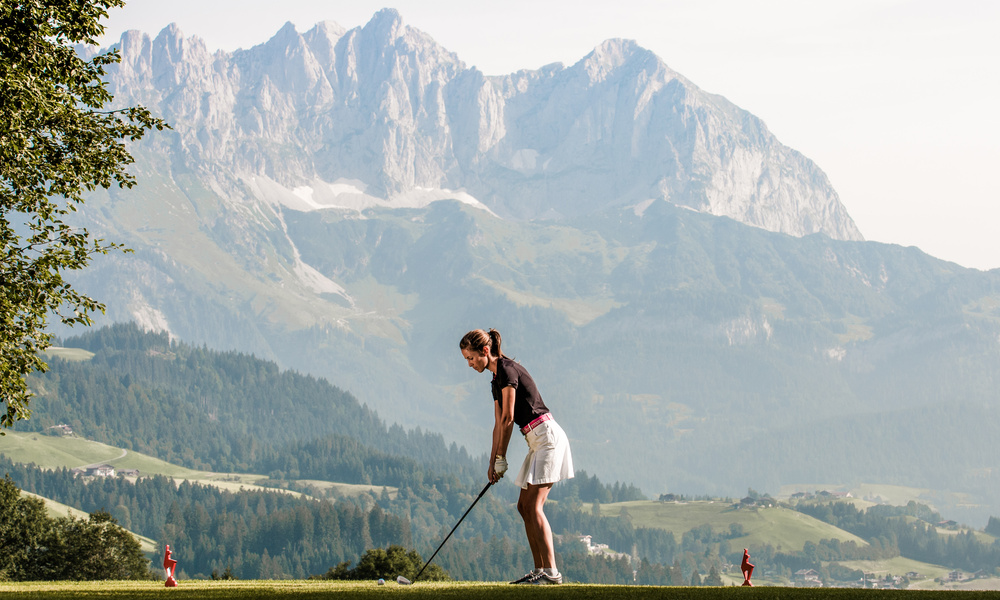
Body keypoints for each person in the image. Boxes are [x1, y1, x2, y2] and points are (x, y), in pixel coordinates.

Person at [460, 328, 574, 585]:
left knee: (534, 507)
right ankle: (539, 570)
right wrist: (493, 462)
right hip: (536, 441)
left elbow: (509, 418)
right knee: (523, 507)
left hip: (548, 438)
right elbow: (498, 425)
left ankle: (552, 573)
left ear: (485, 351)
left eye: (471, 358)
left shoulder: (508, 371)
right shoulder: (495, 380)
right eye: (466, 359)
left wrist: (502, 457)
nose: (469, 364)